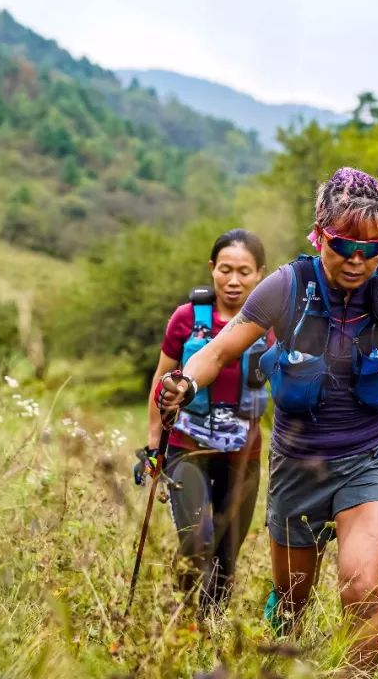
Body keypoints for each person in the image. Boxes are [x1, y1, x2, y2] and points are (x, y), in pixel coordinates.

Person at [155, 168, 378, 673]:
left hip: (369, 459)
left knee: (361, 588)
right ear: (320, 235)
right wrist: (184, 382)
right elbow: (221, 350)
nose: (357, 260)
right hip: (298, 465)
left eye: (371, 248)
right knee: (292, 603)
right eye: (343, 245)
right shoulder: (285, 287)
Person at [135, 228, 271, 616]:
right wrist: (151, 444)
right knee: (198, 541)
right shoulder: (187, 318)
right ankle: (181, 610)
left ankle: (208, 625)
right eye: (225, 269)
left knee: (227, 555)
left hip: (244, 453)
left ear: (260, 273)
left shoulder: (272, 323)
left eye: (244, 271)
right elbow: (161, 382)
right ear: (211, 269)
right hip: (186, 446)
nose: (233, 280)